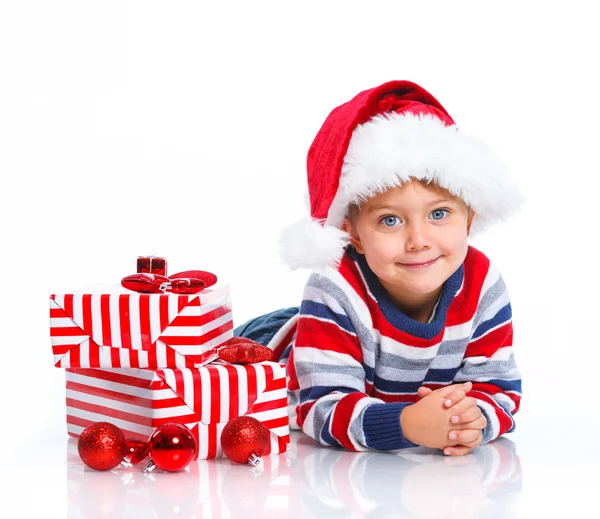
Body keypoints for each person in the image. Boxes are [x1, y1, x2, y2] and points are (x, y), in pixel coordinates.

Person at [235, 80, 523, 456]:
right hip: (287, 348)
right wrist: (406, 425)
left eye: (439, 214)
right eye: (390, 221)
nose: (418, 239)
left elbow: (498, 388)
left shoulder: (482, 282)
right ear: (352, 234)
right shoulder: (334, 287)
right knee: (217, 371)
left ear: (469, 220)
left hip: (357, 363)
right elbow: (319, 406)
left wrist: (472, 421)